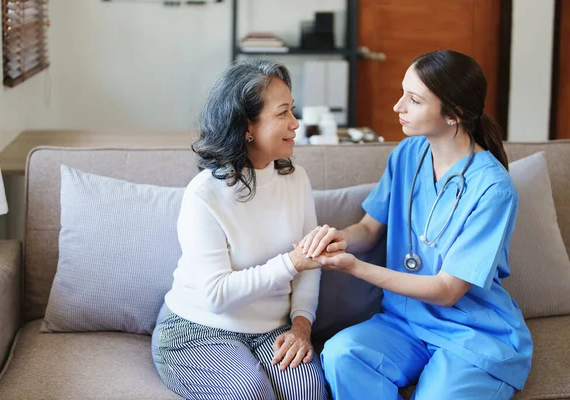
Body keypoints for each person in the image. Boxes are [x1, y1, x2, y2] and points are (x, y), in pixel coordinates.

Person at [298, 50, 533, 399]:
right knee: (342, 354)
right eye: (402, 92)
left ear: (454, 113)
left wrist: (356, 268)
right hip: (404, 324)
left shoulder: (493, 189)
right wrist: (338, 239)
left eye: (414, 99)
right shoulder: (407, 154)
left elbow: (447, 290)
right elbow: (368, 229)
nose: (398, 107)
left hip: (470, 332)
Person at [151, 59, 329, 400]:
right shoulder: (205, 193)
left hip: (271, 330)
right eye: (283, 113)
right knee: (248, 393)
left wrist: (301, 327)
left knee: (308, 391)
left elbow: (311, 267)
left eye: (293, 110)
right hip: (197, 328)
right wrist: (291, 262)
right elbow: (216, 296)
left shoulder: (296, 180)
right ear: (247, 125)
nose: (296, 123)